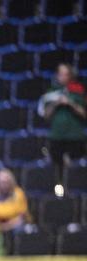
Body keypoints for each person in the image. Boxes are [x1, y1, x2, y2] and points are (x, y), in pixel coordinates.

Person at [40, 63, 86, 197]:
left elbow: (84, 113)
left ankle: (77, 191)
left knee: (76, 168)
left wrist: (70, 103)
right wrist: (56, 103)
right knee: (57, 167)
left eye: (65, 74)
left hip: (76, 136)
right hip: (57, 136)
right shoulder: (51, 92)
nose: (62, 77)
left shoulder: (78, 90)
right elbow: (46, 115)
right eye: (60, 73)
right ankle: (59, 193)